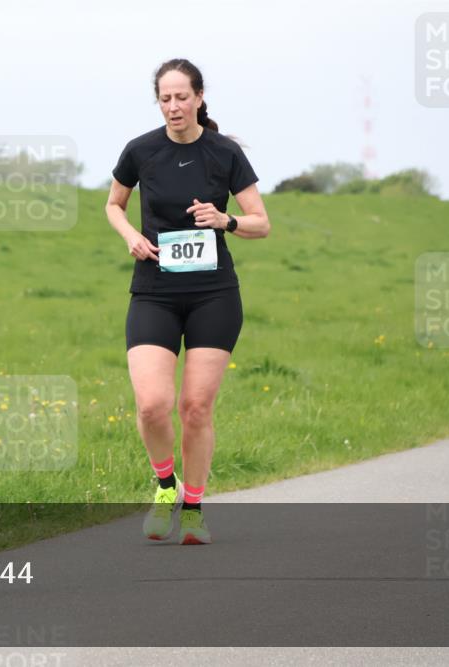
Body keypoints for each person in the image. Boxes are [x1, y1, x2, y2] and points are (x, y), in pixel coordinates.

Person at [105, 58, 270, 545]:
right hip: (154, 290)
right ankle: (164, 485)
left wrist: (226, 221)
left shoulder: (223, 153)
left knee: (195, 407)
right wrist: (131, 235)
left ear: (199, 98)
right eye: (165, 98)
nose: (173, 106)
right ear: (158, 102)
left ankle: (194, 507)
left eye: (182, 97)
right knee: (153, 405)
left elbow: (261, 221)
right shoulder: (141, 151)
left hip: (213, 294)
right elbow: (113, 204)